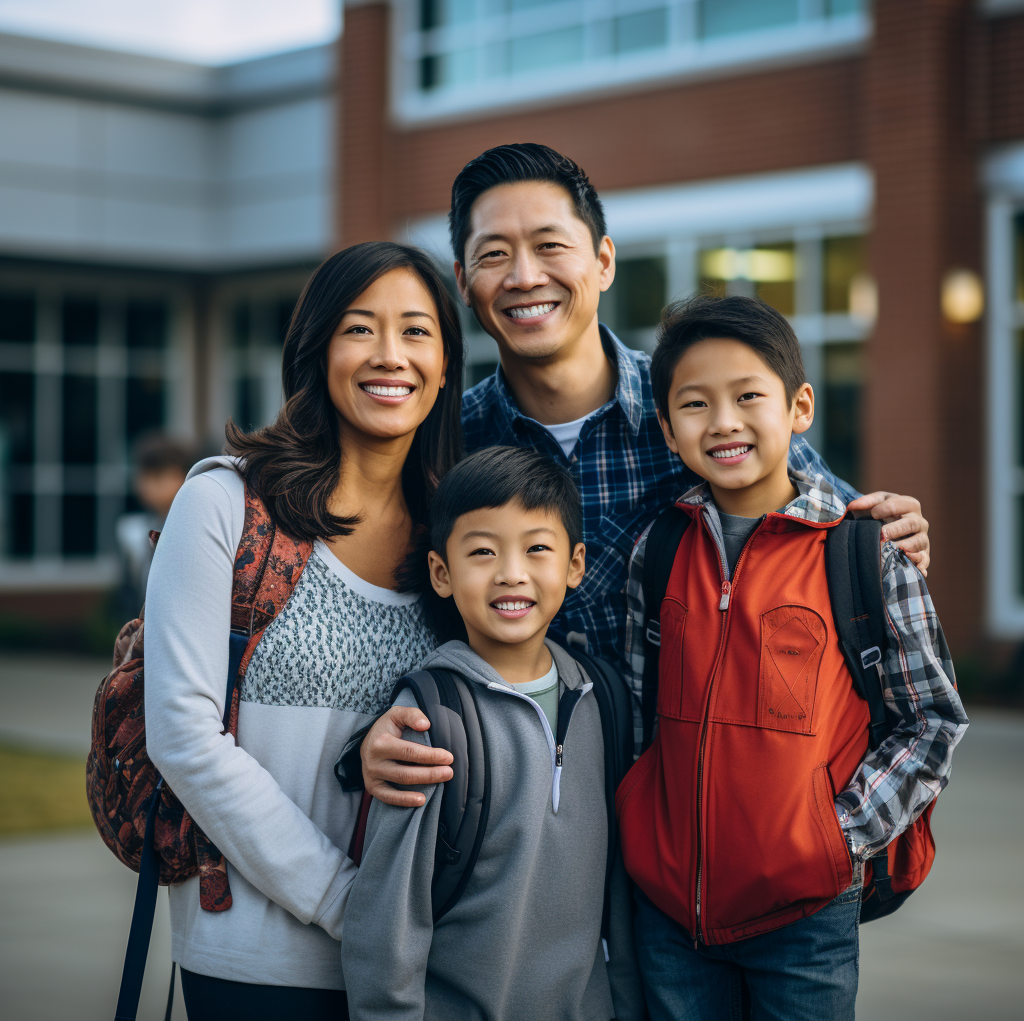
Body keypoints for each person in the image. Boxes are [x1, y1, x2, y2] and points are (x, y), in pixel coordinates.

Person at [356, 143, 933, 809]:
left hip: (692, 830)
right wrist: (374, 733)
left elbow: (844, 548)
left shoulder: (698, 415)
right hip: (503, 815)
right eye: (493, 255)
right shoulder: (440, 444)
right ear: (463, 281)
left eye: (550, 246)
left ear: (602, 262)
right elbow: (397, 614)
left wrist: (893, 537)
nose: (523, 276)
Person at [615, 295, 968, 1020]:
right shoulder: (658, 554)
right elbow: (636, 714)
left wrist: (837, 840)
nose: (724, 422)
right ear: (668, 429)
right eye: (695, 404)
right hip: (671, 914)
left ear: (799, 406)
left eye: (749, 396)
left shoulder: (865, 552)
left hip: (805, 919)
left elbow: (931, 722)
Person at [144, 242, 464, 1020]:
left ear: (448, 364)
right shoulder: (227, 504)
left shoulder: (458, 531)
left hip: (420, 967)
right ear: (317, 349)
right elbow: (182, 734)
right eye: (361, 328)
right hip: (260, 960)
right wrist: (349, 903)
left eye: (417, 331)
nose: (391, 356)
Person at [341, 446, 642, 1021]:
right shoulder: (431, 719)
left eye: (537, 548)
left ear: (575, 565)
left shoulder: (598, 699)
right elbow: (388, 919)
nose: (511, 572)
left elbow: (619, 902)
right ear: (441, 573)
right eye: (482, 551)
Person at [115, 432, 194, 612]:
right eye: (143, 476)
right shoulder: (133, 530)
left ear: (180, 476)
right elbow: (128, 593)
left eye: (157, 477)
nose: (147, 485)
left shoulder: (192, 528)